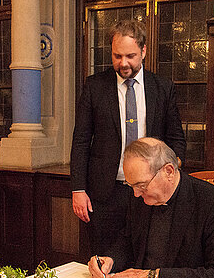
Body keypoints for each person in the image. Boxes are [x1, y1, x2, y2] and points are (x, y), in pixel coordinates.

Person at [71, 20, 186, 256]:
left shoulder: (162, 88)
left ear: (143, 51)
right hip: (105, 193)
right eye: (117, 56)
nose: (123, 63)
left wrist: (170, 179)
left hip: (149, 192)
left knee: (146, 257)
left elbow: (176, 139)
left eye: (130, 56)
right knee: (103, 261)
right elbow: (81, 141)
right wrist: (78, 189)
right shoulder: (95, 86)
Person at [88, 138, 214, 278]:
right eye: (131, 185)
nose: (136, 194)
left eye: (142, 185)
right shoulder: (140, 197)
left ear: (169, 171)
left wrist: (156, 277)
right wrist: (111, 259)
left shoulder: (212, 203)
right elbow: (128, 240)